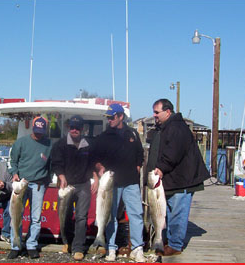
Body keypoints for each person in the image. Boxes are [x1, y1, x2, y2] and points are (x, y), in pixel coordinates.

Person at [149, 98, 210, 256]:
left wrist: (161, 168)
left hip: (182, 181)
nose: (154, 115)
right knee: (170, 212)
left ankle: (175, 245)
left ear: (167, 112)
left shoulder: (176, 128)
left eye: (157, 112)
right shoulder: (166, 127)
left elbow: (173, 153)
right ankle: (169, 240)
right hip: (173, 180)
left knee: (177, 213)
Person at [93, 103, 146, 262]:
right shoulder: (103, 137)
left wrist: (136, 167)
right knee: (110, 216)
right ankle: (111, 248)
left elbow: (140, 154)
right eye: (108, 117)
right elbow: (95, 159)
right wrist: (100, 167)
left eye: (112, 117)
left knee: (136, 214)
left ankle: (137, 248)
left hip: (131, 182)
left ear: (121, 117)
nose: (109, 120)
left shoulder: (133, 134)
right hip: (111, 184)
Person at [51, 115, 99, 261]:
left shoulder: (89, 144)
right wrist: (61, 176)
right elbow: (56, 163)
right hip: (66, 185)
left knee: (81, 217)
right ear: (68, 127)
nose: (74, 130)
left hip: (83, 184)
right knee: (64, 215)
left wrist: (96, 177)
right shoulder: (60, 144)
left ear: (82, 129)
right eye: (72, 127)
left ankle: (78, 247)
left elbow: (93, 163)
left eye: (77, 127)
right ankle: (67, 241)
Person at [7, 116, 52, 259]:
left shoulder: (49, 144)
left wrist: (48, 179)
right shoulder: (21, 142)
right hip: (21, 183)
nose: (38, 133)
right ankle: (16, 245)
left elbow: (51, 164)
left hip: (39, 184)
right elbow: (13, 161)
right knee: (16, 215)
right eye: (36, 130)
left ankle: (32, 245)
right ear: (32, 128)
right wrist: (14, 174)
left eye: (41, 131)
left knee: (36, 217)